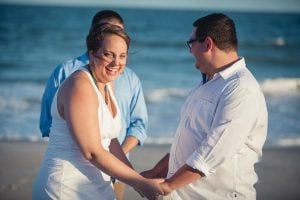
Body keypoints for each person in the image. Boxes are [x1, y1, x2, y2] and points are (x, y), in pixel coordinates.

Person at [141, 13, 268, 199]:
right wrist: (156, 172)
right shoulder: (208, 83)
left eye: (191, 43)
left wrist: (167, 186)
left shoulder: (241, 89)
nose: (190, 50)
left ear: (208, 44)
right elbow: (188, 141)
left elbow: (213, 152)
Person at [33, 24, 163, 200]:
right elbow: (92, 151)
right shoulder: (80, 85)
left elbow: (111, 141)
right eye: (108, 54)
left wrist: (137, 179)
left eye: (122, 56)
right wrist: (140, 184)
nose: (116, 63)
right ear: (92, 54)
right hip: (65, 187)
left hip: (98, 184)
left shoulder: (107, 83)